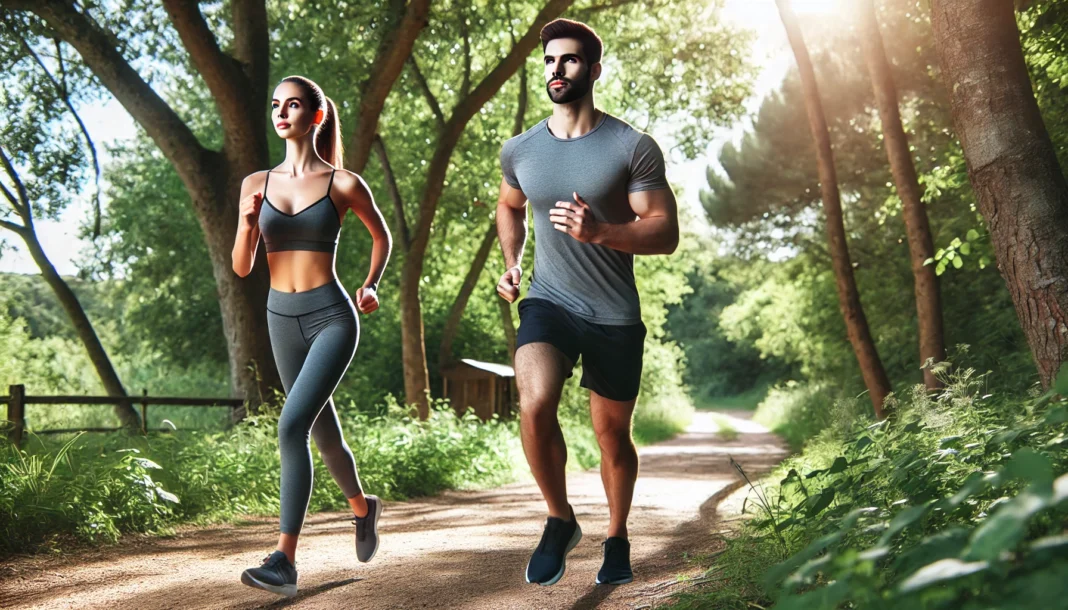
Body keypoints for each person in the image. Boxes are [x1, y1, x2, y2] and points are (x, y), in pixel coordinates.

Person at [495, 19, 680, 587]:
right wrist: (512, 262)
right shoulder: (520, 149)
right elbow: (509, 207)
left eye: (570, 60)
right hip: (549, 301)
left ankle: (617, 537)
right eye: (550, 60)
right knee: (534, 402)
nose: (557, 69)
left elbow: (665, 233)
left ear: (593, 70)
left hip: (614, 315)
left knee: (611, 437)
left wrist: (600, 233)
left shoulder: (631, 147)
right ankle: (559, 518)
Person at [231, 75, 392, 597]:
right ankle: (363, 509)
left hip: (331, 318)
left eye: (293, 105)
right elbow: (241, 266)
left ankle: (284, 560)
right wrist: (245, 222)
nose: (281, 113)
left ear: (315, 116)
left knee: (290, 428)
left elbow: (381, 236)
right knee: (324, 436)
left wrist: (370, 284)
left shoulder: (342, 183)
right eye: (276, 105)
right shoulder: (255, 184)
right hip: (281, 318)